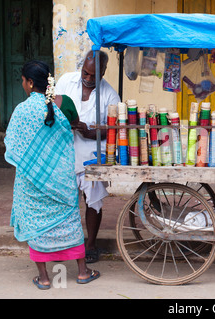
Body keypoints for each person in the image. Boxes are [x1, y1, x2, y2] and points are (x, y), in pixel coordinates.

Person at [4, 60, 100, 290]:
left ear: (29, 83)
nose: (22, 84)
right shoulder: (63, 103)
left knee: (37, 223)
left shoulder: (22, 110)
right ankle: (83, 272)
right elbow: (75, 126)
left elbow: (15, 146)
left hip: (32, 180)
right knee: (70, 222)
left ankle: (45, 278)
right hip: (61, 179)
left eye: (23, 81)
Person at [55, 50, 121, 263]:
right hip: (64, 150)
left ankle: (90, 244)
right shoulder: (66, 81)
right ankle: (60, 244)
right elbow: (52, 108)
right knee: (62, 201)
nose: (88, 78)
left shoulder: (110, 95)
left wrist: (90, 132)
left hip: (92, 152)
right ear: (82, 65)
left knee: (92, 201)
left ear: (103, 73)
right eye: (86, 73)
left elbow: (116, 129)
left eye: (94, 76)